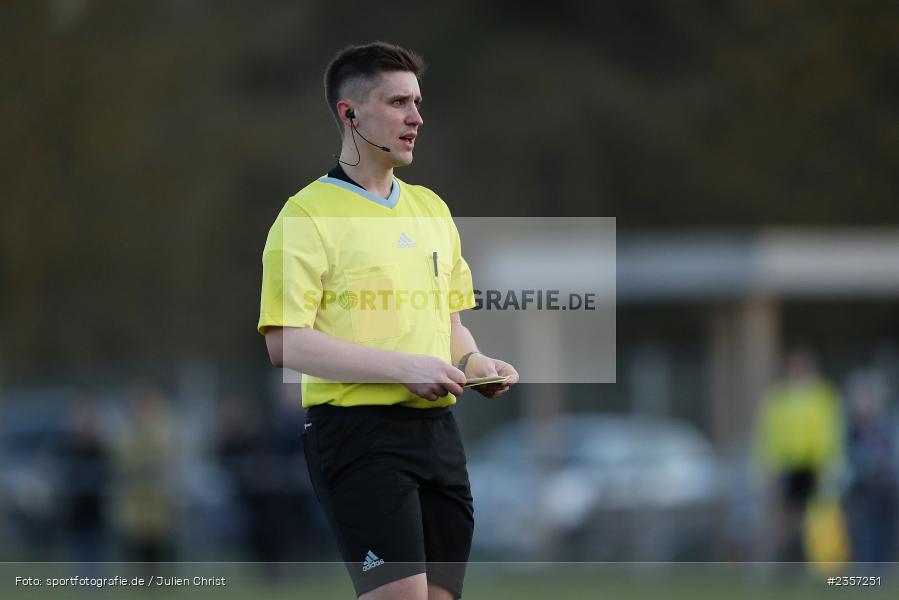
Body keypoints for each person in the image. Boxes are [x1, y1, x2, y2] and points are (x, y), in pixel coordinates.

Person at [257, 42, 519, 600]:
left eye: (418, 102)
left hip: (438, 436)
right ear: (349, 114)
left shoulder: (431, 208)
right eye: (399, 102)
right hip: (358, 435)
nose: (417, 118)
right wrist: (402, 368)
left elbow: (449, 324)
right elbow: (285, 344)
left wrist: (475, 362)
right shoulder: (306, 215)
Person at [752, 348, 845, 564]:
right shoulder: (779, 398)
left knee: (819, 519)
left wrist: (832, 463)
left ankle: (822, 564)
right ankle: (785, 563)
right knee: (786, 517)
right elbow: (767, 433)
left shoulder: (824, 396)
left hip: (815, 464)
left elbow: (833, 431)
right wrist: (764, 464)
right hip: (787, 463)